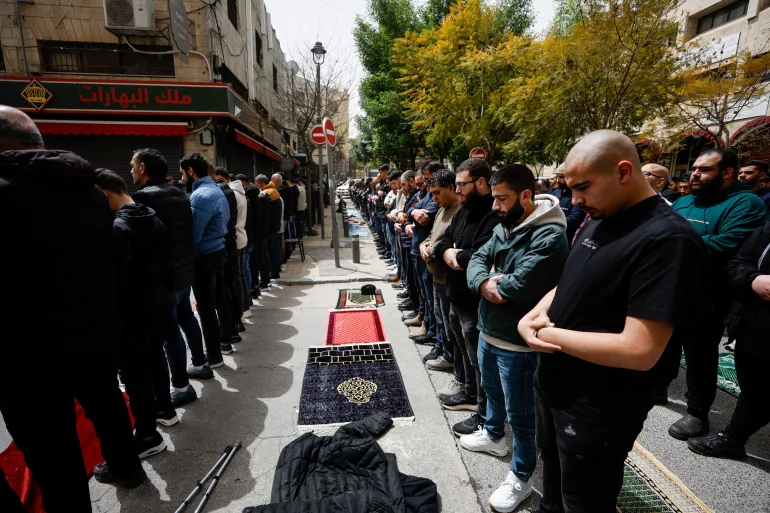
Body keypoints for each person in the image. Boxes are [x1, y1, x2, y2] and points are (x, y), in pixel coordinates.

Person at [518, 130, 705, 513]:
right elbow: (573, 278)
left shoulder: (668, 239)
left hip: (599, 403)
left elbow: (639, 350)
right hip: (555, 382)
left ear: (623, 172)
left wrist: (548, 333)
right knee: (552, 474)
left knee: (585, 498)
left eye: (583, 186)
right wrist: (533, 315)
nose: (576, 200)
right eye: (570, 188)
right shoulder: (599, 214)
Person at [0, 106, 144, 512]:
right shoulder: (86, 192)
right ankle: (128, 467)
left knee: (54, 454)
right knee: (108, 406)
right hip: (93, 332)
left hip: (29, 353)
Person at [465, 164, 569, 513]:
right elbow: (478, 258)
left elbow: (519, 285)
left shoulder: (550, 235)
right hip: (490, 330)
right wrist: (485, 281)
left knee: (522, 415)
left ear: (526, 195)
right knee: (491, 391)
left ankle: (521, 476)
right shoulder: (506, 224)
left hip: (519, 344)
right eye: (493, 198)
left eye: (501, 199)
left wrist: (497, 282)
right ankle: (494, 436)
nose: (494, 206)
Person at [668, 149, 767, 440]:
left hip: (710, 295)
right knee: (664, 343)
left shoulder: (746, 203)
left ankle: (697, 412)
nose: (695, 174)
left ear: (727, 172)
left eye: (705, 169)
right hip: (673, 287)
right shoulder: (685, 201)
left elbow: (727, 245)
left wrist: (673, 239)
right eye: (695, 168)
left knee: (699, 353)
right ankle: (658, 388)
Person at [94, 168, 175, 458]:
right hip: (156, 302)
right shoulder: (150, 216)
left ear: (104, 195)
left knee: (135, 373)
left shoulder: (118, 229)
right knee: (155, 357)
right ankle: (165, 408)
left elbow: (117, 280)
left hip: (132, 312)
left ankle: (147, 435)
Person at [131, 148, 212, 410]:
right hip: (183, 271)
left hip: (163, 277)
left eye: (133, 166)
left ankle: (181, 387)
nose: (131, 170)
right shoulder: (179, 193)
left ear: (142, 168)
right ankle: (199, 363)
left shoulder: (142, 198)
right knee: (186, 317)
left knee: (169, 332)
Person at [688, 220, 770, 458]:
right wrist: (754, 280)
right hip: (753, 326)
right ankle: (734, 439)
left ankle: (733, 437)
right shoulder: (765, 229)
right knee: (754, 386)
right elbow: (736, 263)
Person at [433, 159, 499, 433]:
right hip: (455, 296)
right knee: (462, 350)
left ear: (480, 183)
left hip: (474, 303)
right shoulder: (465, 211)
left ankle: (484, 417)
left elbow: (481, 257)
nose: (457, 190)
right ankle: (470, 394)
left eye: (461, 184)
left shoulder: (493, 215)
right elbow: (444, 242)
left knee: (479, 361)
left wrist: (455, 254)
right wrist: (450, 252)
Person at [179, 153, 233, 364]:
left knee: (206, 307)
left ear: (191, 171)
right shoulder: (216, 190)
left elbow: (193, 234)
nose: (182, 177)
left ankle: (214, 355)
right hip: (218, 251)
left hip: (205, 257)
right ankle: (225, 342)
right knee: (220, 299)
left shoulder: (200, 196)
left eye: (183, 172)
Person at [421, 170, 462, 375]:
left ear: (451, 188)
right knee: (441, 319)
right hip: (435, 276)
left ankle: (454, 363)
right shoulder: (440, 210)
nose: (434, 198)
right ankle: (446, 354)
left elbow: (451, 245)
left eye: (437, 193)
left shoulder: (459, 211)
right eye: (431, 194)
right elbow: (432, 236)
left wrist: (431, 250)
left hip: (449, 279)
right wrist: (423, 244)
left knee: (451, 324)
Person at [407, 166, 441, 346]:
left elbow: (426, 216)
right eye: (424, 181)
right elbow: (409, 211)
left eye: (427, 180)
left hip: (428, 255)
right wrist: (413, 213)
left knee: (431, 297)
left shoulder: (437, 198)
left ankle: (433, 333)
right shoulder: (428, 195)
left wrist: (415, 214)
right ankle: (428, 325)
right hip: (418, 249)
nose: (426, 185)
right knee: (424, 292)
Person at [215, 167, 245, 339]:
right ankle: (238, 320)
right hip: (238, 239)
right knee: (238, 279)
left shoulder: (230, 194)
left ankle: (235, 322)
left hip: (232, 242)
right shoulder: (238, 193)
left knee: (234, 282)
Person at [257, 173, 284, 279]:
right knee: (275, 250)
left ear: (261, 183)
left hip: (270, 228)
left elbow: (265, 214)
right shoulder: (274, 192)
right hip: (276, 227)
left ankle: (272, 272)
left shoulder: (266, 193)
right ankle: (276, 271)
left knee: (270, 251)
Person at [552, 168, 586, 243]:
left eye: (561, 177)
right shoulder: (555, 193)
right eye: (557, 177)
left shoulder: (577, 195)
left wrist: (550, 219)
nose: (558, 180)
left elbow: (573, 220)